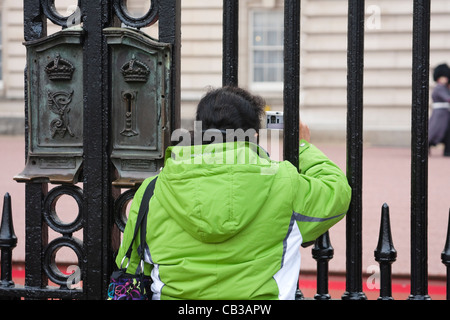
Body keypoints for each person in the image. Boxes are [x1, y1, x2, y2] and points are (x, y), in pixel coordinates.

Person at [115, 86, 351, 300]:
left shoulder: (153, 189)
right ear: (254, 136)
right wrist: (302, 147)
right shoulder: (285, 182)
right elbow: (337, 192)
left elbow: (131, 261)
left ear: (199, 131)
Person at [429, 63, 450, 154]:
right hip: (440, 113)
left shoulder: (443, 87)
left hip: (444, 112)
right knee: (435, 130)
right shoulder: (440, 88)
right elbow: (447, 98)